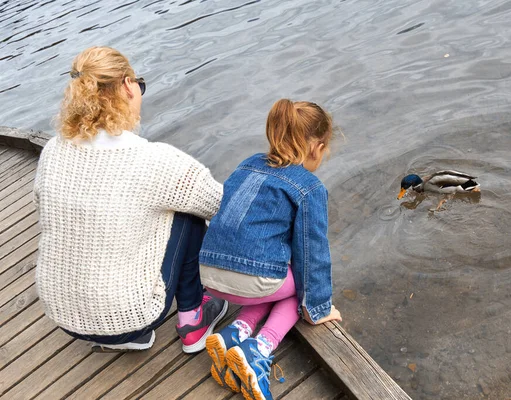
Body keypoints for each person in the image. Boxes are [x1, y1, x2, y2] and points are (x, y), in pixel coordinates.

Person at [33, 46, 227, 353]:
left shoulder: (54, 151)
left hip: (63, 316)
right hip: (128, 317)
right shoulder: (153, 160)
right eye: (139, 83)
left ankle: (129, 336)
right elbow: (220, 206)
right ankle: (193, 318)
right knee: (187, 211)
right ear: (126, 86)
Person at [199, 99, 342, 400]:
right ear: (317, 147)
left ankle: (235, 332)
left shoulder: (248, 163)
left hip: (210, 274)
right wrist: (318, 308)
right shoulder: (309, 187)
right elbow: (312, 254)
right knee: (298, 287)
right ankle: (260, 347)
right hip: (252, 282)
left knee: (267, 277)